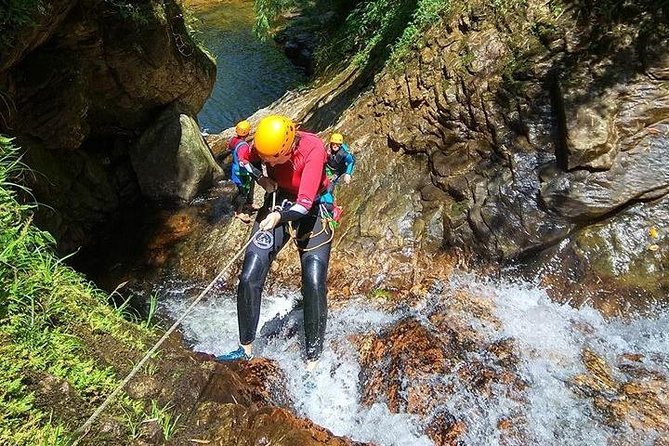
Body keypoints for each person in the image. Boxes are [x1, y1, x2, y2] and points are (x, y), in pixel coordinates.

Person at [216, 115, 333, 372]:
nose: (267, 161)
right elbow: (244, 157)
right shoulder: (266, 146)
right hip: (278, 200)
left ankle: (313, 360)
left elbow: (303, 204)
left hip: (312, 206)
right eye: (266, 158)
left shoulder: (312, 149)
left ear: (288, 147)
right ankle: (245, 348)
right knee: (250, 274)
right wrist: (261, 178)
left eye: (272, 159)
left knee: (313, 281)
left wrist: (279, 217)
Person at [227, 120, 255, 222]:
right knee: (243, 192)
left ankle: (248, 204)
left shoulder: (233, 140)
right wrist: (253, 171)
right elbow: (242, 161)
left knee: (241, 190)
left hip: (235, 170)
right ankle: (239, 212)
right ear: (247, 133)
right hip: (241, 172)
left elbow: (229, 148)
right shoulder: (243, 146)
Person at [319, 132, 355, 209]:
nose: (335, 146)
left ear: (340, 145)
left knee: (329, 187)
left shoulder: (344, 154)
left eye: (337, 144)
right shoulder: (327, 149)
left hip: (337, 171)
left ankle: (330, 205)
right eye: (333, 144)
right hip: (328, 168)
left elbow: (351, 161)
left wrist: (348, 173)